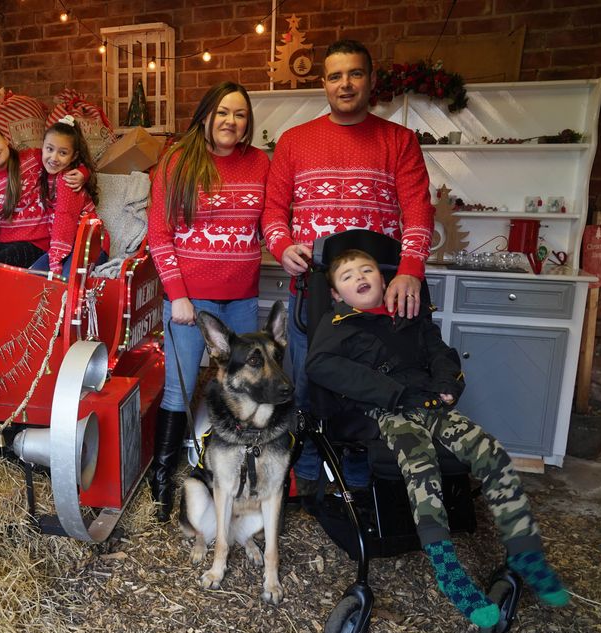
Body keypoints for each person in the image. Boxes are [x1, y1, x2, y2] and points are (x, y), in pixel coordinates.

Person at [306, 248, 568, 628]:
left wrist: (446, 385)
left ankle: (526, 552)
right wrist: (393, 392)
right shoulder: (339, 323)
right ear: (336, 294)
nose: (359, 277)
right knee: (420, 461)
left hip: (433, 403)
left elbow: (442, 353)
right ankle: (448, 571)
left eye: (367, 269)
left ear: (384, 279)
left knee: (492, 453)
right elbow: (320, 366)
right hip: (388, 409)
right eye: (347, 276)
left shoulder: (410, 314)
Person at [260, 39, 435, 491]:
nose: (345, 84)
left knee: (365, 387)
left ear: (370, 80)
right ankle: (307, 478)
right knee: (305, 385)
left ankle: (355, 484)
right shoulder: (295, 141)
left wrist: (411, 267)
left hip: (373, 295)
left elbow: (418, 211)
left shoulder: (399, 141)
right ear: (323, 83)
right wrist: (282, 247)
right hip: (314, 290)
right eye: (336, 76)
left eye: (355, 74)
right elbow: (273, 212)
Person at [147, 81, 271, 521]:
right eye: (222, 112)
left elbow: (272, 217)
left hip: (241, 296)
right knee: (180, 387)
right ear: (205, 116)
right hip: (191, 298)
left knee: (241, 387)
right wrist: (178, 295)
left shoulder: (259, 162)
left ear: (247, 122)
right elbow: (159, 235)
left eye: (239, 114)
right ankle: (162, 475)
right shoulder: (177, 162)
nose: (230, 121)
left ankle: (233, 470)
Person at [0, 120, 84, 269]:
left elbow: (64, 158)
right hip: (0, 243)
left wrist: (83, 174)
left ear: (6, 139)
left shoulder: (33, 158)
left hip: (36, 242)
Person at [31, 116, 100, 276]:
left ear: (74, 157)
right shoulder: (43, 171)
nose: (54, 158)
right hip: (64, 243)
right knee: (33, 277)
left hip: (89, 243)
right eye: (49, 149)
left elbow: (65, 219)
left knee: (65, 283)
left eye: (62, 153)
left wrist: (55, 263)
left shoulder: (68, 180)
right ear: (42, 147)